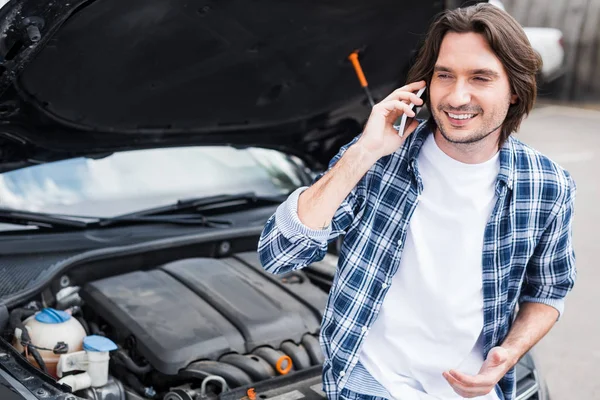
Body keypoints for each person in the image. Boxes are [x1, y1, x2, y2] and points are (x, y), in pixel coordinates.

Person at [257, 3, 576, 400]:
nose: (458, 96)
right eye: (445, 75)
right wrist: (365, 150)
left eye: (480, 77)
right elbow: (279, 255)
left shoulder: (547, 184)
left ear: (514, 90)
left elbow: (548, 290)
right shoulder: (377, 161)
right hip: (370, 386)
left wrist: (508, 354)